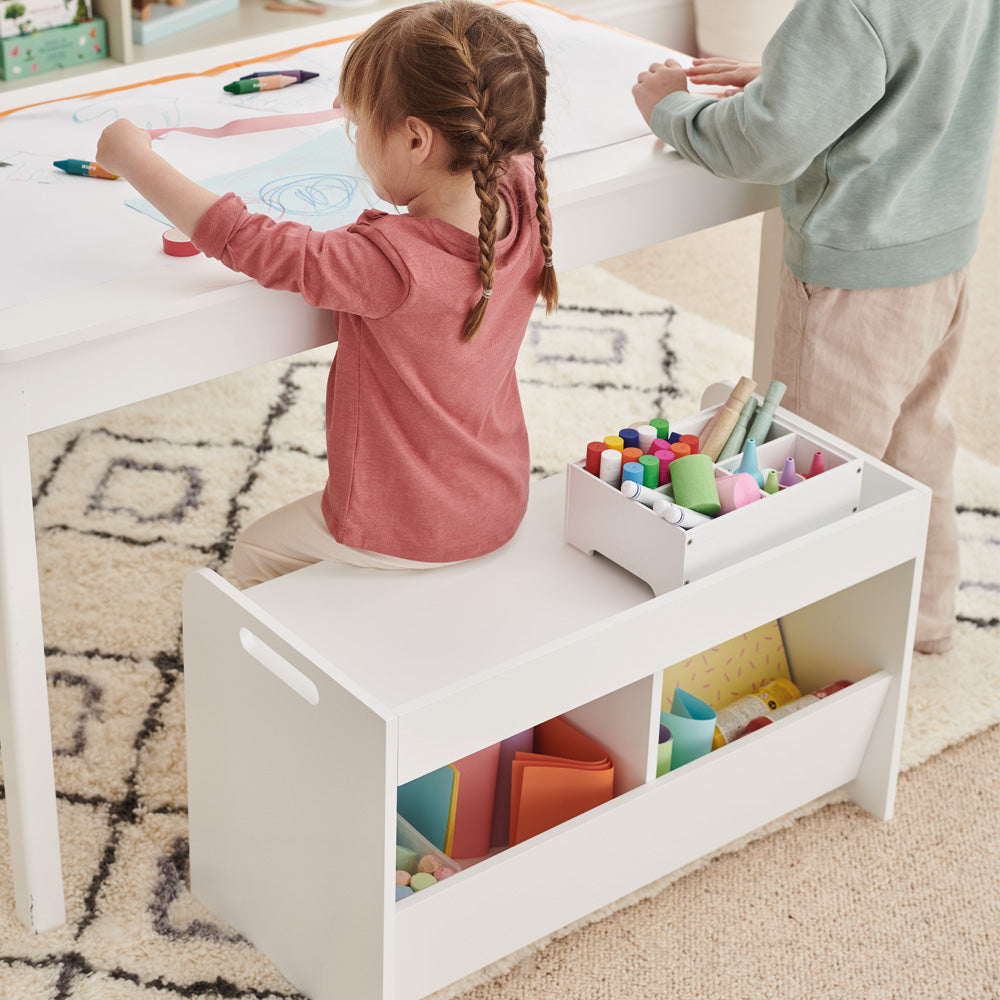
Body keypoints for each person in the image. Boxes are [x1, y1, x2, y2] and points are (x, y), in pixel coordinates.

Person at [97, 0, 558, 588]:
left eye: (362, 123)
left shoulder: (389, 267)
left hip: (409, 528)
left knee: (254, 553)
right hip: (499, 496)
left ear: (418, 139)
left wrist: (134, 159)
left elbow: (246, 241)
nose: (355, 133)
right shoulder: (522, 192)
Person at [632, 0, 999, 653]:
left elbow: (766, 144)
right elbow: (918, 74)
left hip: (853, 273)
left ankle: (806, 642)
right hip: (939, 251)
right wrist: (798, 84)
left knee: (816, 468)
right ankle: (925, 614)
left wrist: (670, 108)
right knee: (917, 438)